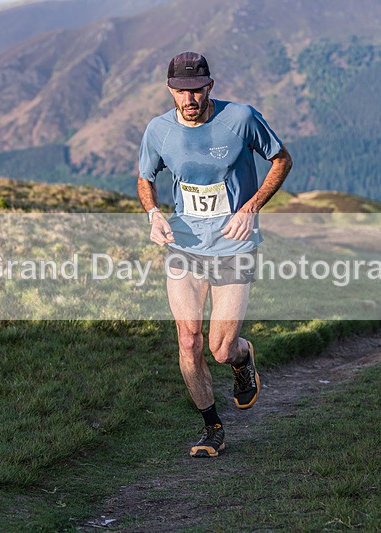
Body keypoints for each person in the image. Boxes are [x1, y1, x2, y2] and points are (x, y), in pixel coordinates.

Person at [137, 51, 293, 457]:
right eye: (180, 92)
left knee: (219, 348)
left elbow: (281, 159)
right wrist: (154, 214)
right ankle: (212, 428)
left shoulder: (240, 119)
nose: (189, 99)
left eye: (196, 90)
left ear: (210, 86)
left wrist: (251, 207)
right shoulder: (158, 130)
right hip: (184, 244)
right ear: (170, 91)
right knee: (189, 341)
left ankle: (242, 358)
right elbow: (145, 178)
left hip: (233, 244)